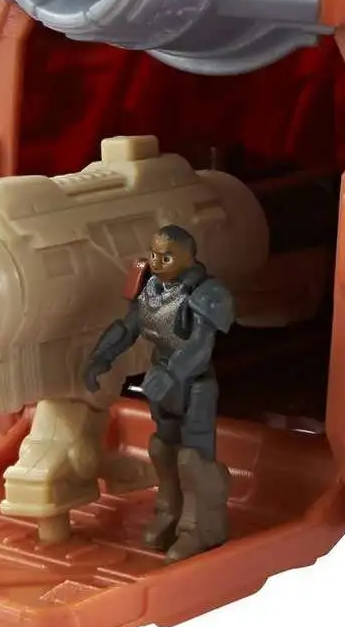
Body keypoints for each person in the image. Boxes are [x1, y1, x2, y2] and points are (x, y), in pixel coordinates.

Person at [84, 225, 235, 560]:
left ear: (188, 258)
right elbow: (128, 327)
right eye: (153, 254)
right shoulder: (151, 287)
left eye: (166, 257)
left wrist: (172, 372)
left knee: (192, 458)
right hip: (161, 382)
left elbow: (200, 346)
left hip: (193, 384)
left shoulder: (205, 293)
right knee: (163, 449)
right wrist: (101, 357)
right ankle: (169, 512)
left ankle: (198, 527)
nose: (157, 262)